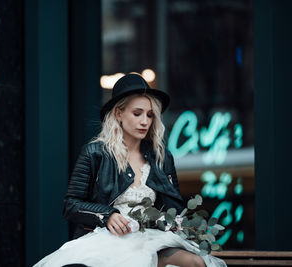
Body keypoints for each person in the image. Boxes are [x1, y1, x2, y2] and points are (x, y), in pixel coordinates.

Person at [34, 74, 226, 267]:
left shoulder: (162, 157)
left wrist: (174, 222)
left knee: (195, 263)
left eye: (150, 115)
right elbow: (71, 205)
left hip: (151, 239)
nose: (145, 121)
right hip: (107, 239)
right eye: (137, 113)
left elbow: (173, 207)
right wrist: (107, 215)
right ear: (119, 114)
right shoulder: (95, 153)